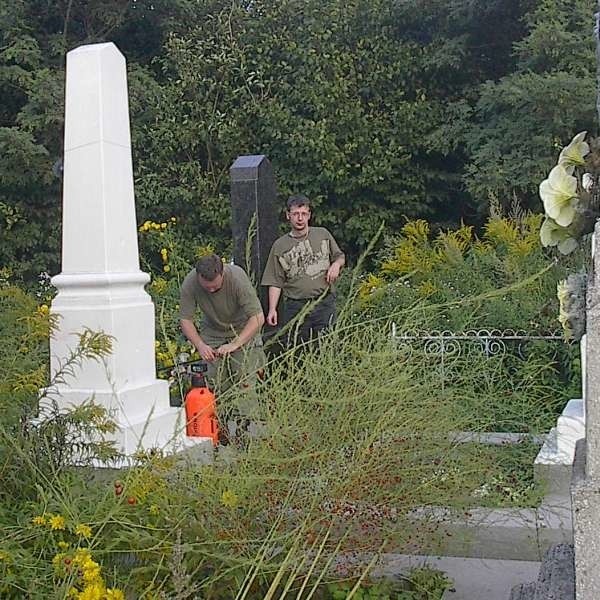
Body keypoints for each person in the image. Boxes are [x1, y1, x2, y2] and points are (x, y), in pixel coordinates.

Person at [179, 254, 265, 440]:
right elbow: (186, 319)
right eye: (206, 287)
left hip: (242, 330)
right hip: (212, 332)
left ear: (222, 272)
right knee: (215, 382)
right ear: (198, 276)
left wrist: (235, 344)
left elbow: (258, 318)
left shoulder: (237, 278)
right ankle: (220, 429)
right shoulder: (191, 282)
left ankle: (245, 431)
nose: (210, 290)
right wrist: (200, 345)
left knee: (244, 379)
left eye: (215, 287)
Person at [261, 194, 345, 344]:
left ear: (309, 216)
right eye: (295, 214)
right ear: (288, 215)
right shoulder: (280, 246)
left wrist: (336, 265)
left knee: (328, 346)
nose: (300, 218)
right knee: (295, 349)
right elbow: (275, 281)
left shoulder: (322, 234)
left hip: (324, 302)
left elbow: (340, 256)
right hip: (296, 306)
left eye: (304, 214)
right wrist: (272, 309)